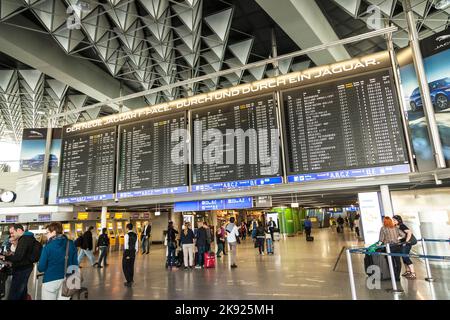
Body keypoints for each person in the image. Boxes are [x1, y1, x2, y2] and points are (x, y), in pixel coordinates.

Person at [37, 222, 78, 300]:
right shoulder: (71, 244)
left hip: (50, 280)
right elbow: (75, 265)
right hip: (68, 280)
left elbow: (41, 268)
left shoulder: (47, 247)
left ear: (54, 232)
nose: (46, 235)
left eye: (47, 232)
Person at [0, 224, 39, 300]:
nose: (11, 235)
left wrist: (5, 257)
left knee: (15, 293)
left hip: (21, 269)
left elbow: (18, 257)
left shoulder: (24, 239)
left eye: (12, 233)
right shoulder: (30, 238)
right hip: (26, 267)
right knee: (22, 292)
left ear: (19, 230)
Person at [378, 216, 405, 281]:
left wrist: (378, 246)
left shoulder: (383, 228)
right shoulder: (395, 228)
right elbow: (403, 235)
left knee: (391, 262)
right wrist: (398, 238)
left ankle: (393, 276)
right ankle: (397, 276)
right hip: (397, 246)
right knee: (398, 261)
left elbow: (381, 239)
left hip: (389, 247)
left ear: (384, 222)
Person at [393, 215, 417, 280]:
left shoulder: (402, 225)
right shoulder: (396, 226)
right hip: (403, 243)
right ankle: (408, 271)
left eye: (395, 220)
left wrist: (406, 242)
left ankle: (413, 273)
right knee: (404, 256)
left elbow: (409, 232)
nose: (393, 221)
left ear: (399, 220)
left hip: (407, 243)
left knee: (405, 256)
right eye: (393, 220)